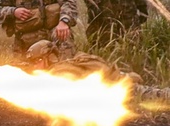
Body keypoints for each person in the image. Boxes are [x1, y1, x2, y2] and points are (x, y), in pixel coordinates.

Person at [24, 40, 170, 108]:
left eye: (36, 61)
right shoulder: (69, 62)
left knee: (163, 97)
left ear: (46, 58)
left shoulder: (60, 72)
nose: (34, 66)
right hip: (122, 85)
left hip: (124, 91)